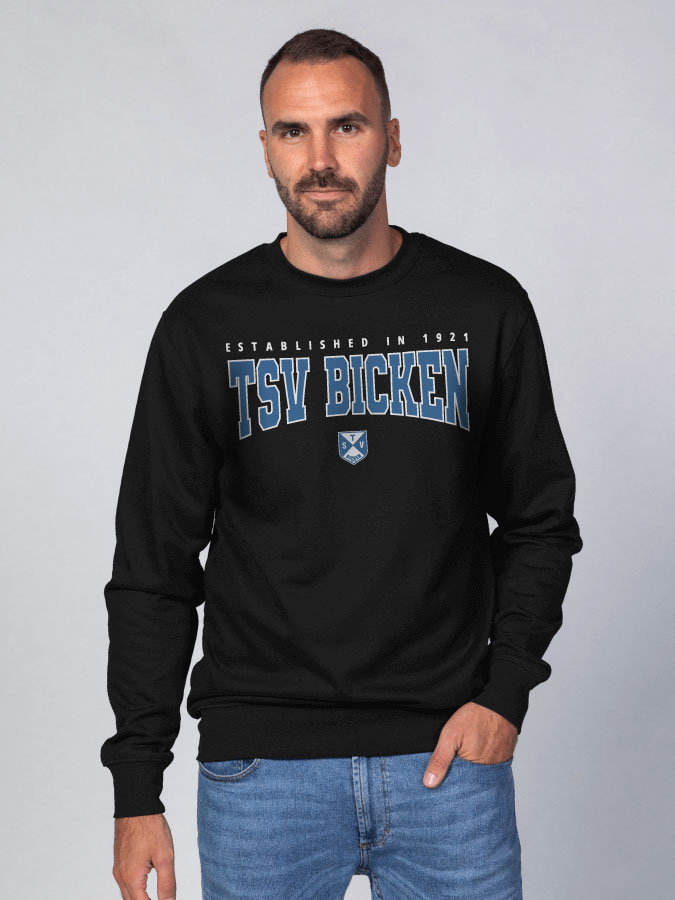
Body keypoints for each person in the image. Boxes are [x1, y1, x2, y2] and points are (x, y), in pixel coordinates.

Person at [101, 27, 583, 900]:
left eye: (347, 127)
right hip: (261, 771)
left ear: (391, 139)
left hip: (448, 761)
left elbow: (539, 522)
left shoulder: (483, 307)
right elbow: (153, 567)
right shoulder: (204, 325)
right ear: (265, 148)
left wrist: (504, 693)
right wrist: (137, 786)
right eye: (293, 131)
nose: (319, 159)